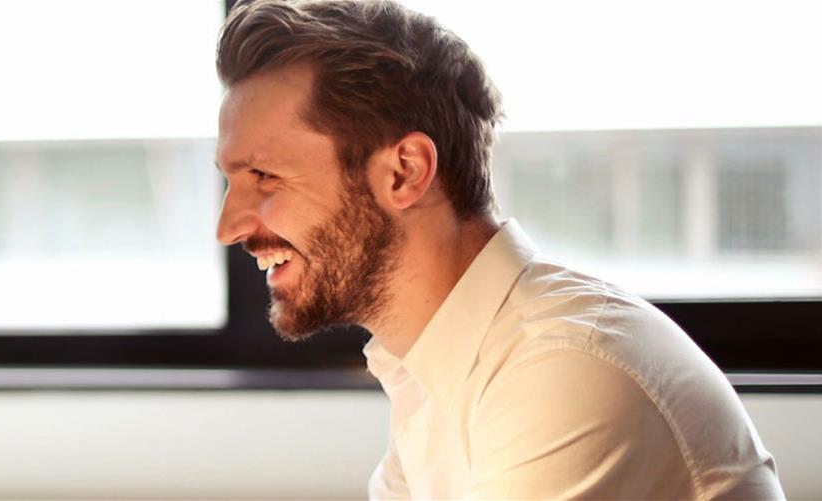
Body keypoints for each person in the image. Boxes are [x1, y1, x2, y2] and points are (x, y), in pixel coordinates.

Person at [212, 1, 784, 498]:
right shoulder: (433, 365)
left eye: (264, 176)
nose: (228, 227)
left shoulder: (566, 370)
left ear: (405, 172)